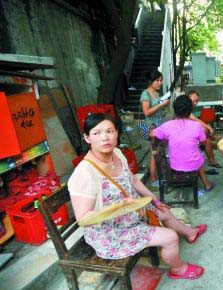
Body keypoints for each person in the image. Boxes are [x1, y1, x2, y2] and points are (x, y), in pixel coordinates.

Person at [69, 113, 206, 280]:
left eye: (109, 131)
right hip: (111, 231)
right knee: (170, 237)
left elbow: (133, 180)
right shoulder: (85, 173)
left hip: (131, 211)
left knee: (163, 210)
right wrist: (118, 207)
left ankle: (190, 233)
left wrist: (154, 201)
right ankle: (178, 269)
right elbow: (84, 219)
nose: (105, 137)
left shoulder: (117, 153)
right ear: (87, 138)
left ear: (117, 133)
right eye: (97, 133)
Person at [151, 95, 215, 192]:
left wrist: (166, 138)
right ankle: (207, 184)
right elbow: (204, 143)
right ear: (190, 111)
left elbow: (152, 134)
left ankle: (206, 183)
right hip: (193, 165)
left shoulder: (167, 125)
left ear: (175, 110)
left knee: (191, 155)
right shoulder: (197, 126)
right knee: (197, 156)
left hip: (175, 165)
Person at [140, 69, 171, 187]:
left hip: (159, 126)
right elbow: (147, 112)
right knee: (154, 153)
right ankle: (153, 179)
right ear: (150, 81)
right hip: (151, 127)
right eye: (157, 81)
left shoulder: (157, 93)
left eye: (161, 80)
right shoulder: (145, 94)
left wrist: (164, 105)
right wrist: (161, 104)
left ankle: (157, 176)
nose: (160, 83)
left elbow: (159, 111)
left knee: (158, 152)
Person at [188, 90, 222, 173]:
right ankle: (213, 139)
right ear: (188, 99)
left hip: (189, 131)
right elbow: (195, 119)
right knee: (205, 132)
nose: (195, 103)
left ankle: (212, 161)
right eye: (194, 101)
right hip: (184, 135)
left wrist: (207, 126)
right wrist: (207, 127)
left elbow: (195, 120)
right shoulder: (184, 108)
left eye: (197, 101)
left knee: (207, 138)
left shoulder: (189, 108)